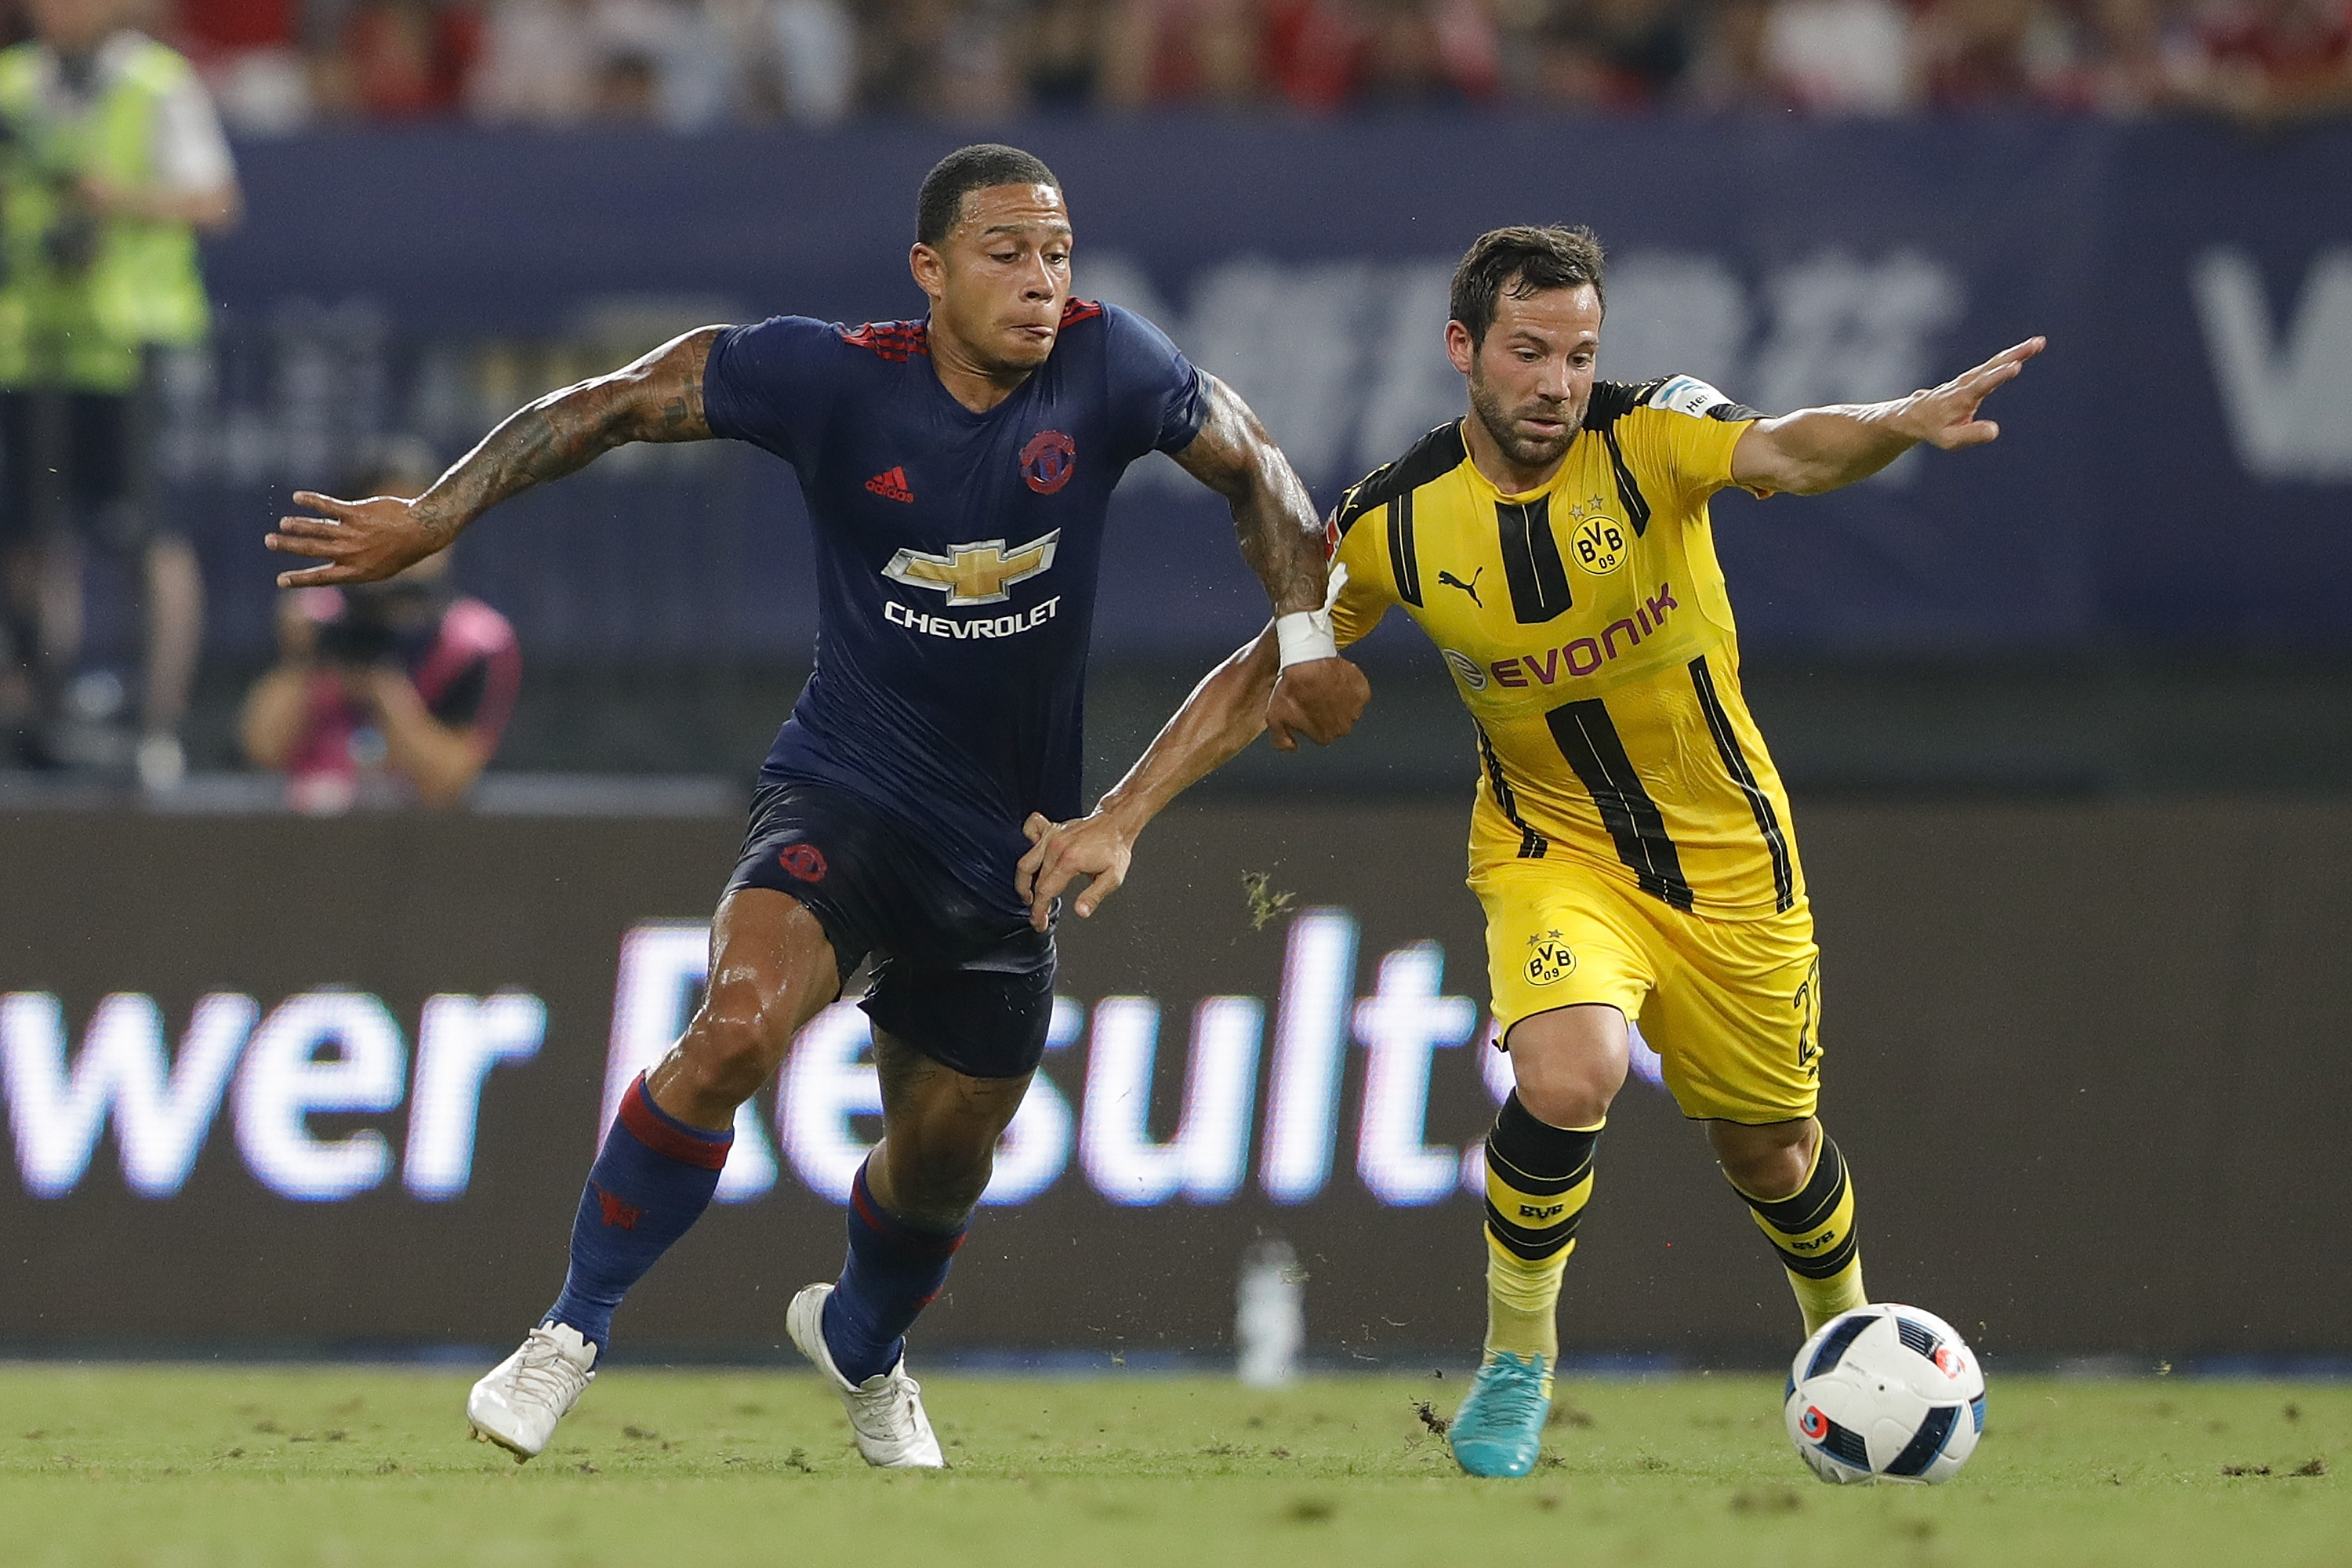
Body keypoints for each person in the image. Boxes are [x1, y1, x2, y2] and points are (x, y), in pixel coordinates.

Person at [265, 144, 1368, 1467]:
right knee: (733, 1033)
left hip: (1005, 847)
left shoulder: (1112, 365)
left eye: (1058, 251)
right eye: (1006, 252)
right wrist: (439, 517)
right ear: (931, 268)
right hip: (845, 787)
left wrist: (1303, 640)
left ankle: (865, 1344)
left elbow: (1260, 471)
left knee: (942, 1161)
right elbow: (617, 402)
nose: (1041, 280)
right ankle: (570, 1330)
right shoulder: (830, 376)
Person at [1017, 224, 2042, 1479]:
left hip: (1732, 862)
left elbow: (1789, 446)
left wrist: (1897, 418)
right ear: (1465, 352)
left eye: (1578, 353)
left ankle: (1848, 1341)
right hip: (1551, 848)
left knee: (1769, 1147)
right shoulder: (1396, 518)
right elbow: (1270, 666)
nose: (1557, 381)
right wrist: (1121, 812)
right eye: (1528, 352)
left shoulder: (1654, 434)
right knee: (1568, 1074)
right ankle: (1517, 1364)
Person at [0, 0, 240, 788]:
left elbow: (216, 202)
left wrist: (117, 202)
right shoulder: (11, 85)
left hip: (130, 351)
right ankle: (36, 720)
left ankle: (156, 729)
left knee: (149, 540)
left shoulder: (159, 84)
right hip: (32, 351)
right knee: (32, 542)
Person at [239, 445, 521, 813]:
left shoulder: (475, 642)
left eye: (419, 523)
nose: (402, 549)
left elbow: (451, 779)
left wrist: (384, 697)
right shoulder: (316, 619)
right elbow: (261, 747)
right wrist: (306, 661)